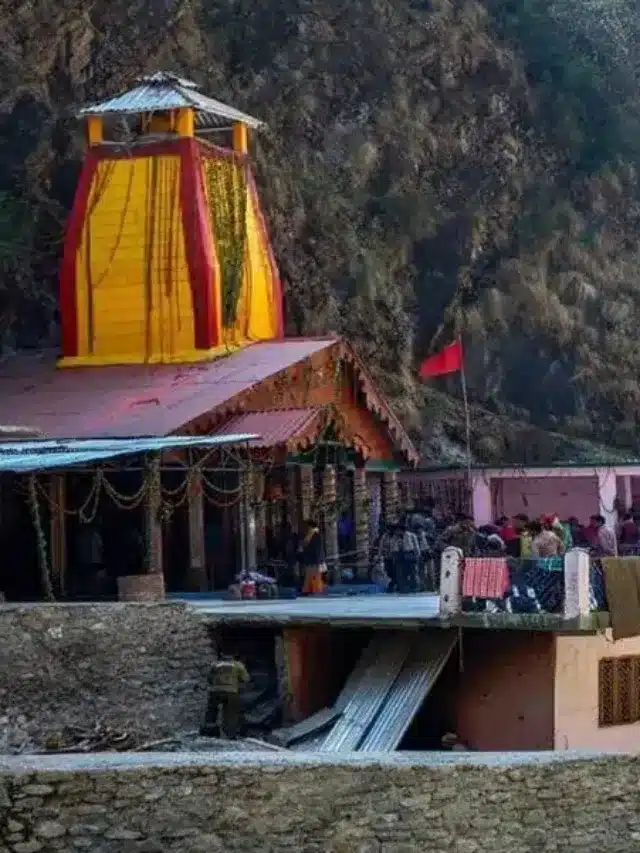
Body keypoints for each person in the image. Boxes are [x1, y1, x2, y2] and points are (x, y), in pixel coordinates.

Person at [201, 655, 250, 739]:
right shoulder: (238, 665)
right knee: (230, 713)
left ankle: (209, 732)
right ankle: (230, 735)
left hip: (215, 691)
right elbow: (246, 679)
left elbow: (209, 678)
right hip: (231, 691)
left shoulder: (215, 664)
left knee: (211, 711)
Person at [299, 520, 326, 594]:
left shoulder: (316, 535)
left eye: (306, 526)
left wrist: (319, 561)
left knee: (315, 576)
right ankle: (309, 590)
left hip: (315, 560)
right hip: (310, 560)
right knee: (309, 576)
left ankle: (316, 590)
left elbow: (318, 549)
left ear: (310, 527)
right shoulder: (309, 535)